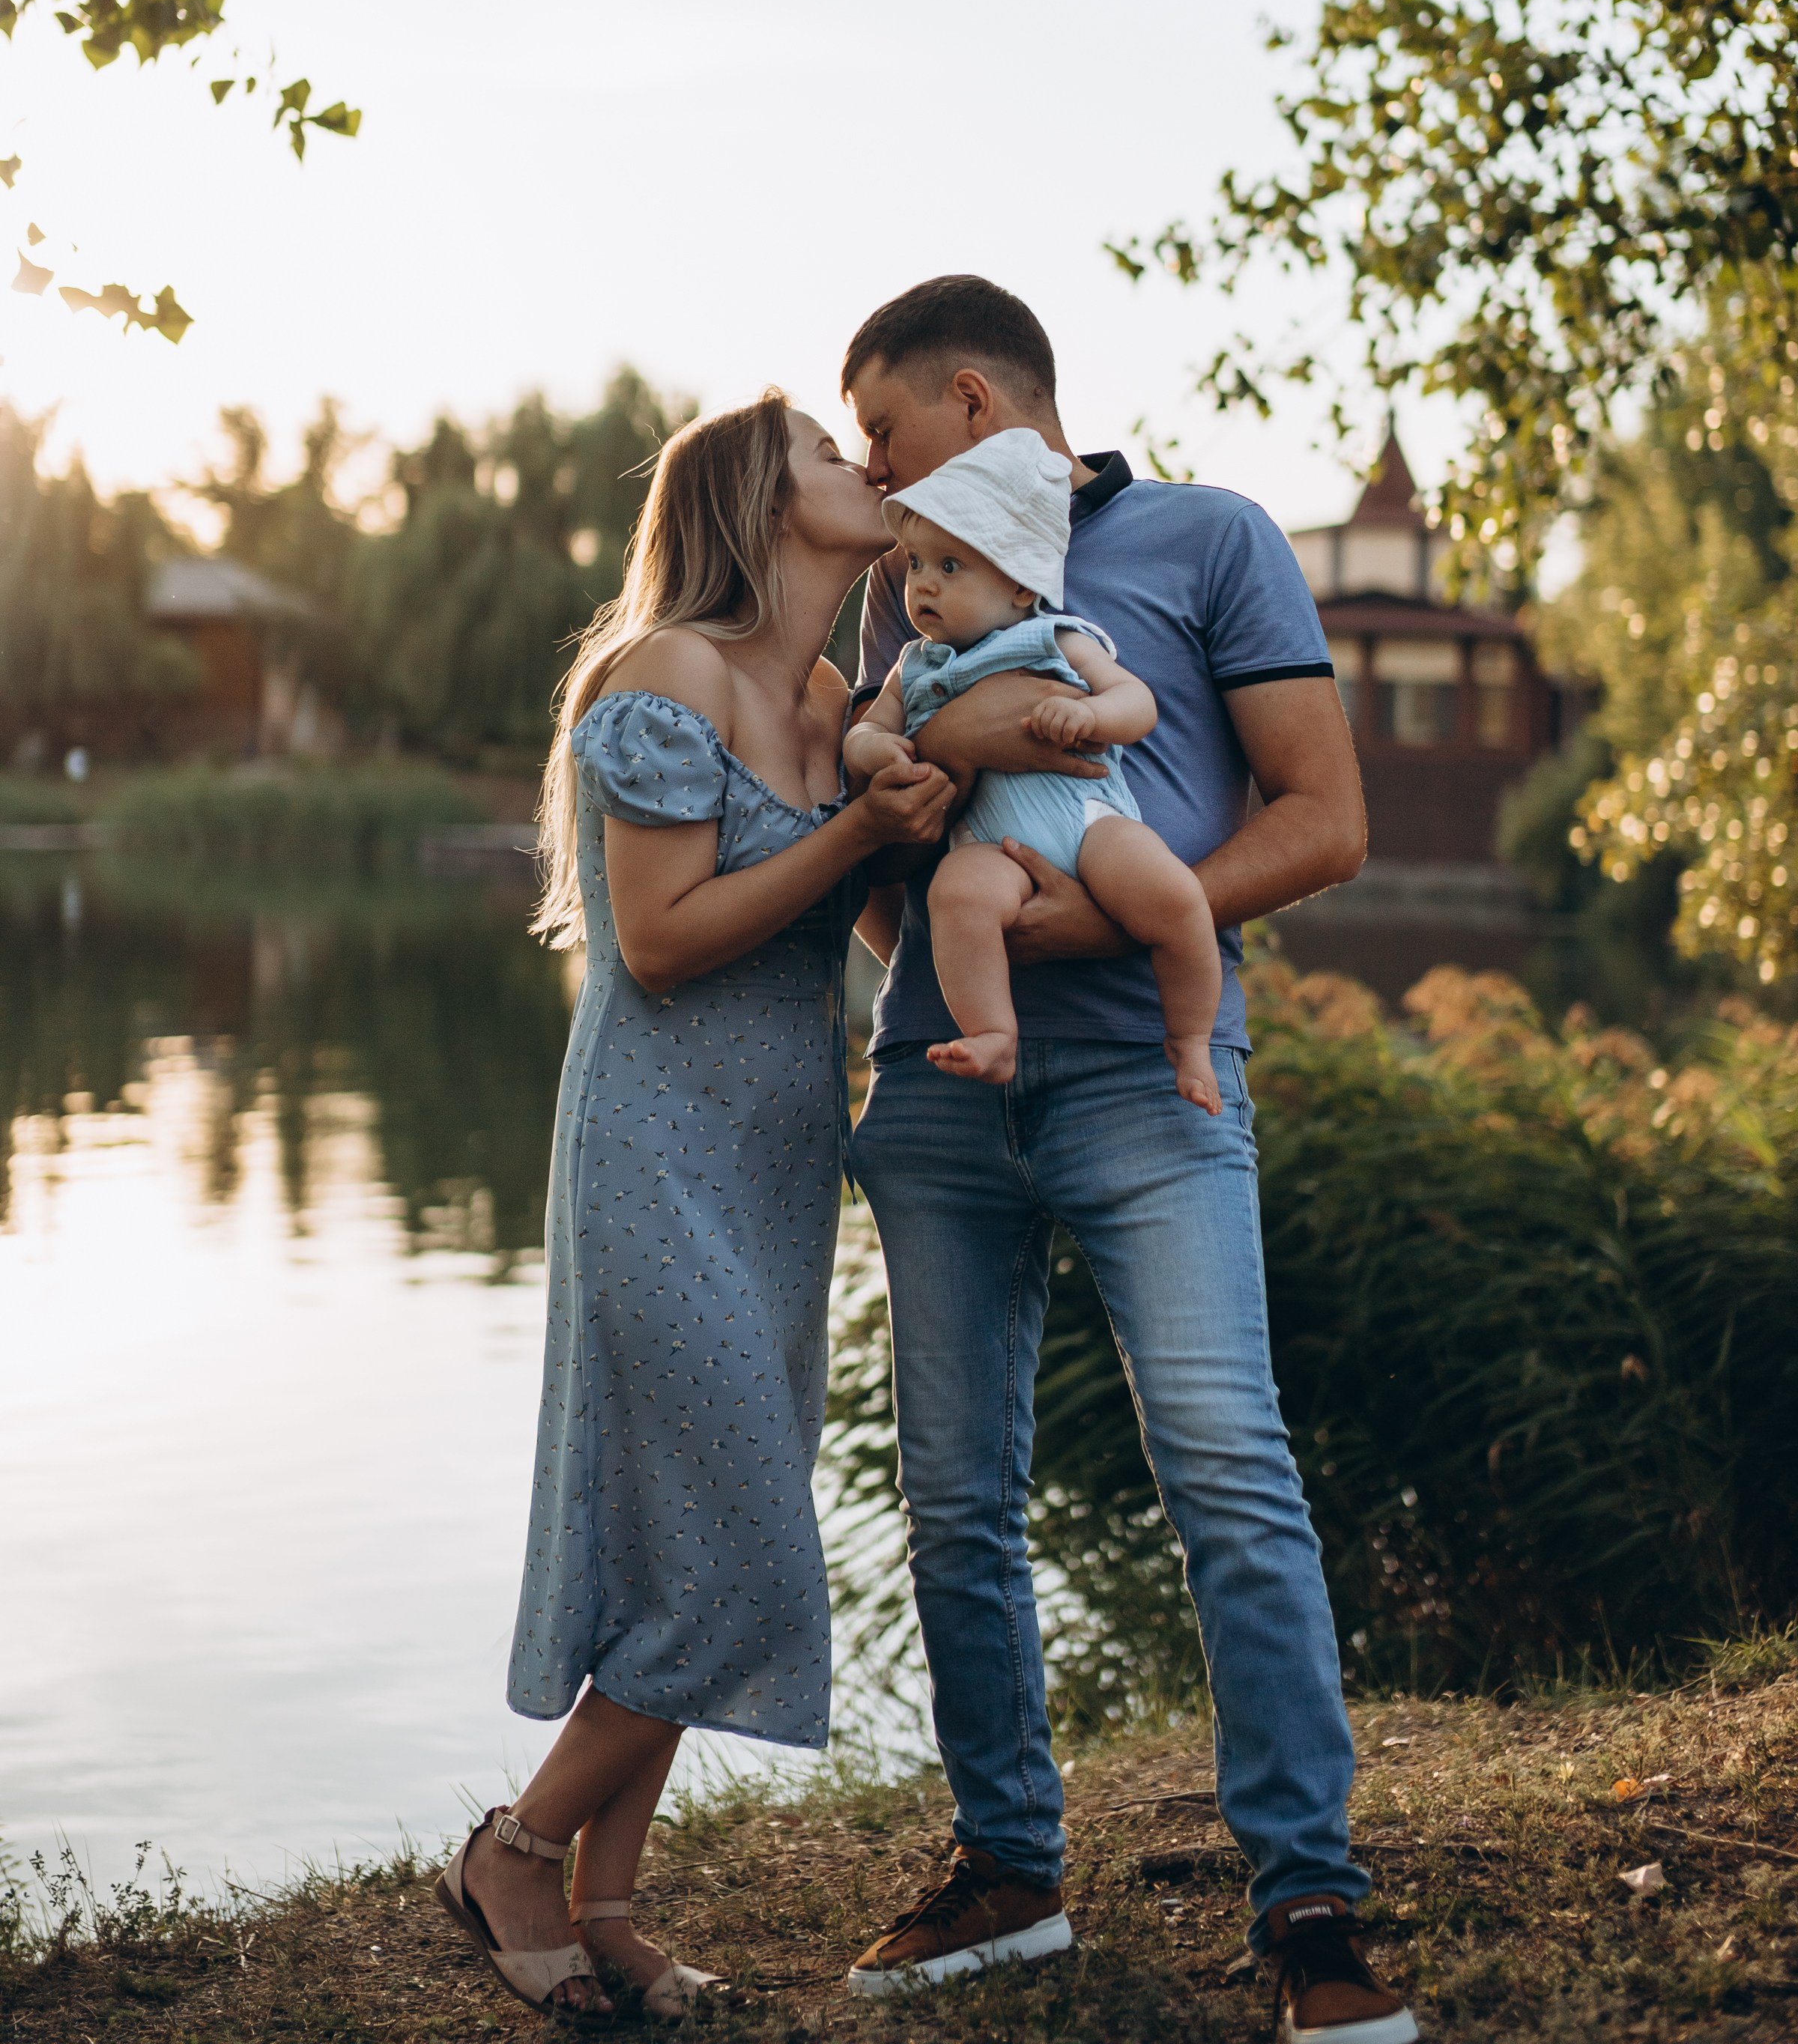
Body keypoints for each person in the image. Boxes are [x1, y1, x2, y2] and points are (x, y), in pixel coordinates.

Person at [838, 279, 1420, 2044]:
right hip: (938, 1093)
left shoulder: (1208, 539)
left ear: (964, 399)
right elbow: (878, 877)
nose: (867, 480)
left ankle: (1305, 1897)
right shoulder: (907, 594)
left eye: (875, 433)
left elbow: (1320, 820)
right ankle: (1007, 1869)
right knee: (952, 1497)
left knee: (1227, 1466)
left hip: (1146, 1093)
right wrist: (911, 826)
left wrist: (1096, 929)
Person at [437, 392, 954, 2022]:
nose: (859, 465)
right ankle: (516, 1849)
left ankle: (609, 1910)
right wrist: (861, 830)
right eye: (820, 449)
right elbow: (659, 941)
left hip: (781, 1165)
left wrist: (947, 881)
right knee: (741, 1541)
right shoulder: (665, 676)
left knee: (696, 1533)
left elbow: (860, 931)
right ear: (755, 500)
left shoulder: (824, 695)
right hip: (655, 1153)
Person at [844, 426, 1221, 1106]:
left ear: (1021, 586)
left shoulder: (1053, 637)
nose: (924, 584)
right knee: (956, 895)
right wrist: (885, 751)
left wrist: (1091, 718)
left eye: (950, 567)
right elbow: (864, 736)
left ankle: (1191, 1038)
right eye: (919, 565)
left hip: (1090, 823)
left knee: (1176, 899)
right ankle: (993, 1033)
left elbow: (1136, 703)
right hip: (995, 846)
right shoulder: (915, 666)